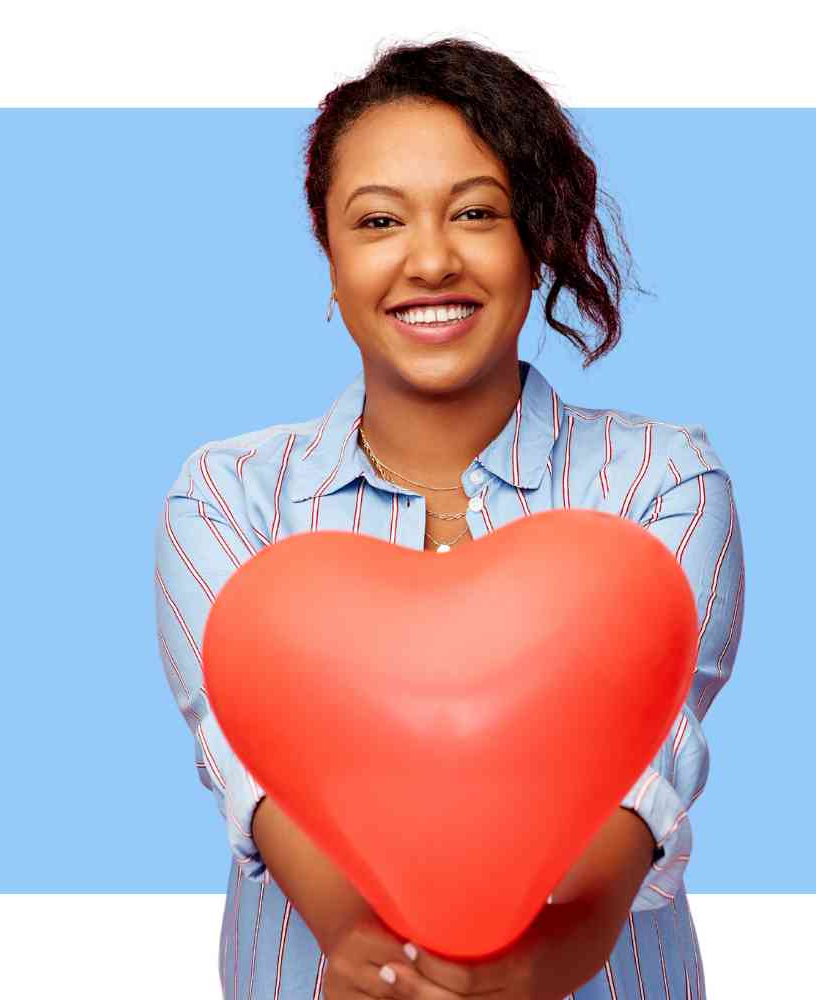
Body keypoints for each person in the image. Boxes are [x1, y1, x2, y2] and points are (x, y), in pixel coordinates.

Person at [152, 38, 745, 1000]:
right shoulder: (227, 496)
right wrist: (369, 956)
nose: (430, 260)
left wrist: (546, 960)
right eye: (379, 220)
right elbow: (246, 759)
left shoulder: (662, 478)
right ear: (330, 253)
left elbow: (652, 753)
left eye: (476, 213)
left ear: (534, 237)